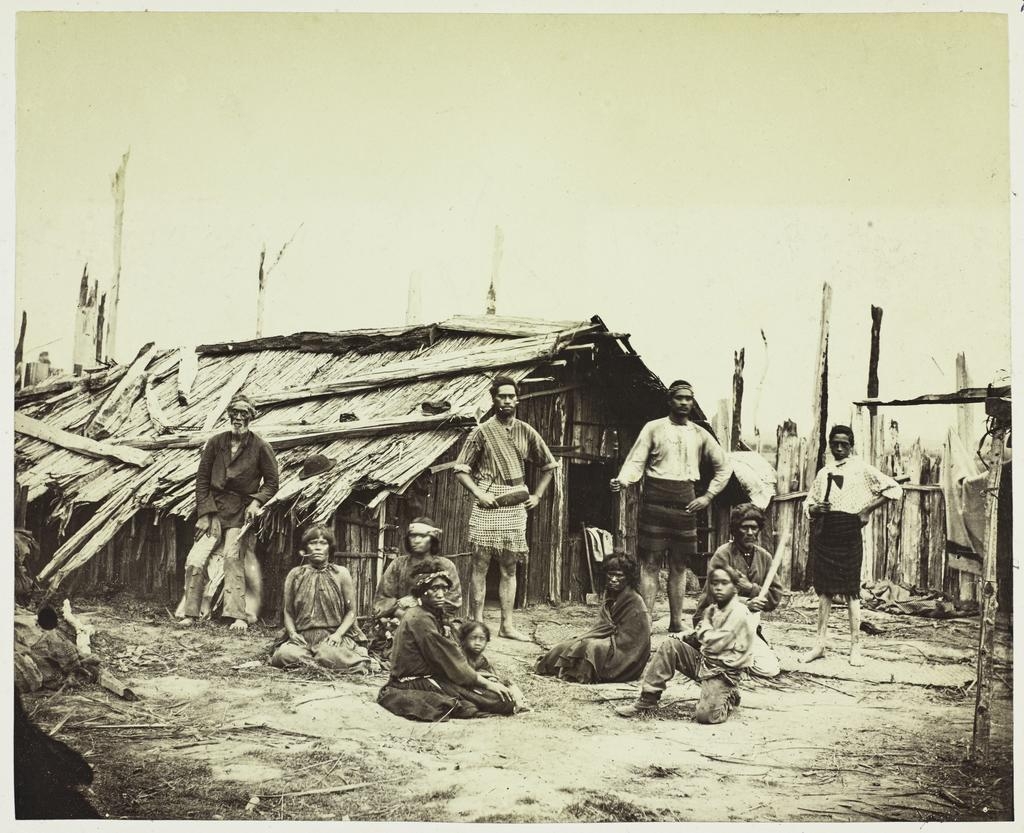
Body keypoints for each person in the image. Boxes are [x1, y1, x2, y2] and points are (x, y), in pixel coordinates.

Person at [610, 379, 731, 633]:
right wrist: (622, 481)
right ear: (669, 401)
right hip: (655, 500)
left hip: (685, 503)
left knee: (679, 565)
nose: (685, 403)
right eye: (679, 398)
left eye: (689, 398)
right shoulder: (653, 428)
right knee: (650, 563)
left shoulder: (699, 434)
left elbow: (724, 467)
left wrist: (707, 496)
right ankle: (645, 621)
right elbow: (636, 461)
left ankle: (676, 621)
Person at [453, 375, 560, 641]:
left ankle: (507, 625)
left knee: (509, 567)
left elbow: (549, 466)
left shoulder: (526, 431)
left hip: (514, 506)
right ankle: (476, 625)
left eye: (512, 396)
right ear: (494, 399)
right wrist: (479, 493)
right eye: (502, 396)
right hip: (486, 502)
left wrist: (536, 495)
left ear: (517, 399)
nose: (507, 401)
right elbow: (460, 470)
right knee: (479, 564)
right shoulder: (481, 432)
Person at [176, 394, 279, 632]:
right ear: (229, 416)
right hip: (213, 510)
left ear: (251, 417)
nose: (238, 419)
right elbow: (201, 480)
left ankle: (237, 616)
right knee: (195, 559)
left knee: (233, 559)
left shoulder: (260, 446)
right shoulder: (215, 443)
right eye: (235, 414)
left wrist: (256, 503)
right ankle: (190, 612)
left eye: (244, 415)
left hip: (240, 511)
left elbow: (272, 482)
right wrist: (204, 514)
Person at [803, 425, 902, 666]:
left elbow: (895, 489)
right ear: (829, 444)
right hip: (826, 532)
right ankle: (819, 645)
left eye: (844, 444)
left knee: (851, 592)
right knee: (825, 590)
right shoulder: (824, 472)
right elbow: (809, 504)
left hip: (849, 531)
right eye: (834, 443)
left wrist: (866, 510)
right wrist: (816, 509)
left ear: (851, 445)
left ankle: (855, 647)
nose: (838, 448)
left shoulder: (861, 469)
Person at [377, 561, 515, 721]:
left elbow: (454, 653)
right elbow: (450, 660)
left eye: (444, 588)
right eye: (434, 588)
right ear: (422, 592)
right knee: (500, 701)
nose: (441, 594)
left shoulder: (430, 615)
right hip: (415, 682)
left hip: (432, 677)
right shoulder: (419, 619)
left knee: (495, 696)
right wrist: (487, 684)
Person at [616, 566, 753, 723]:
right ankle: (647, 700)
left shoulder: (740, 613)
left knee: (705, 717)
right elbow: (701, 635)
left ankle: (729, 696)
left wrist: (699, 635)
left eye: (724, 583)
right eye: (715, 583)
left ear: (735, 588)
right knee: (670, 644)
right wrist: (686, 636)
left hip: (724, 673)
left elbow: (714, 643)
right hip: (706, 663)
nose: (718, 588)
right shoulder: (713, 610)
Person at [692, 503, 783, 678]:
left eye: (754, 528)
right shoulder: (723, 555)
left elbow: (774, 598)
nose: (750, 533)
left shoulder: (764, 557)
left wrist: (751, 588)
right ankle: (703, 645)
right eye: (745, 528)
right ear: (735, 529)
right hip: (717, 622)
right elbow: (713, 599)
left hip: (746, 627)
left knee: (769, 669)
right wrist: (745, 603)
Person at [270, 525, 372, 672]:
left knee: (328, 653)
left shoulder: (341, 573)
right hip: (303, 638)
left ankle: (317, 662)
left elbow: (351, 612)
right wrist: (292, 634)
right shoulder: (296, 574)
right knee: (283, 655)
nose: (318, 547)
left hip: (331, 637)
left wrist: (338, 635)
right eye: (313, 543)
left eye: (323, 543)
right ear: (305, 548)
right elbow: (288, 611)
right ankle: (322, 664)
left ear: (330, 548)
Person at [535, 556, 651, 683]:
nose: (613, 579)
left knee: (592, 647)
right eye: (610, 575)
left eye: (619, 576)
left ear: (628, 578)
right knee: (569, 645)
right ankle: (553, 667)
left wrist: (605, 639)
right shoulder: (610, 595)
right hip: (609, 639)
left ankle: (579, 674)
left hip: (625, 652)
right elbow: (602, 625)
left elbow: (635, 641)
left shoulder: (635, 601)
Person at [373, 518, 462, 620]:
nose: (417, 540)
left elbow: (453, 599)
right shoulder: (398, 565)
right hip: (399, 619)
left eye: (423, 536)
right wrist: (401, 613)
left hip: (436, 619)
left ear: (432, 539)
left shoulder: (446, 565)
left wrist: (424, 614)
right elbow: (383, 597)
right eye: (413, 535)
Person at [458, 621, 529, 712]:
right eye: (473, 638)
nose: (477, 643)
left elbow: (493, 676)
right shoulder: (459, 655)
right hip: (462, 688)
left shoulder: (481, 659)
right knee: (501, 701)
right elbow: (461, 674)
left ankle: (521, 702)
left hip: (478, 685)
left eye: (482, 639)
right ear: (463, 640)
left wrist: (493, 679)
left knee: (507, 685)